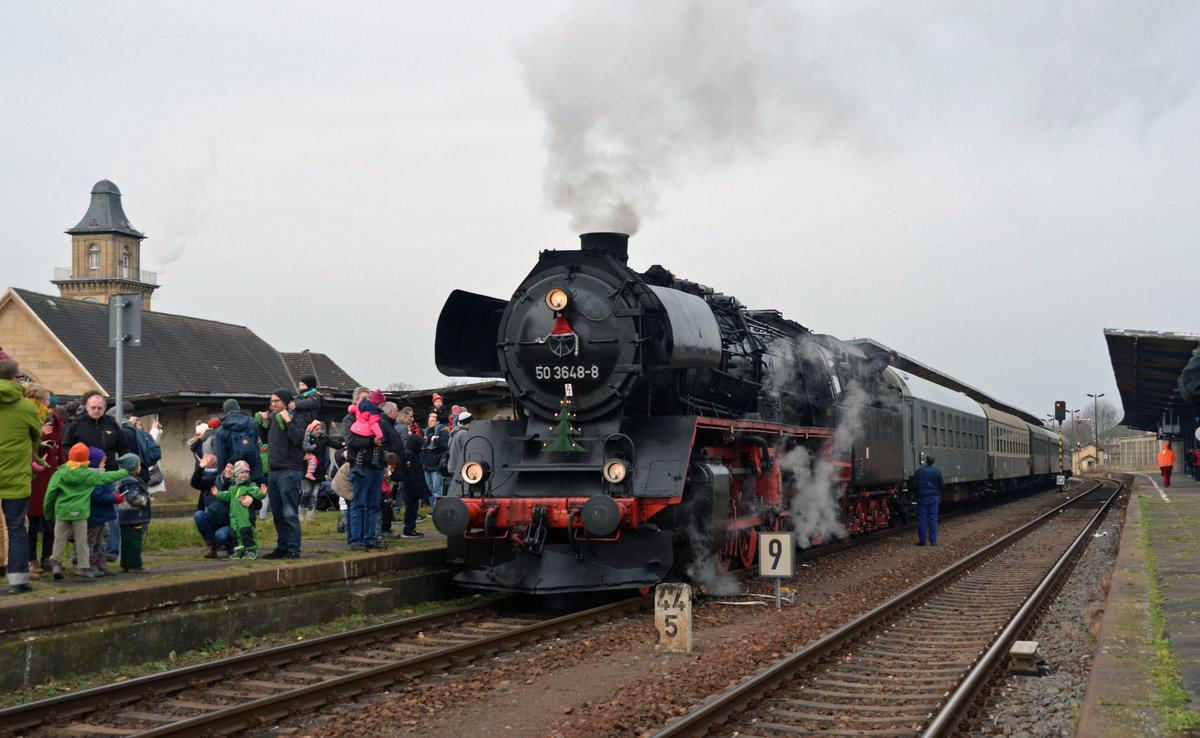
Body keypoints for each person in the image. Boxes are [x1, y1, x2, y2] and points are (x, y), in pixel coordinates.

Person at [44, 442, 128, 579]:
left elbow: (50, 495)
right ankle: (84, 567)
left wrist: (48, 513)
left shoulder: (59, 474)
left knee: (59, 539)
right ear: (85, 458)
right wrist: (124, 471)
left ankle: (57, 565)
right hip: (80, 512)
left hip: (62, 511)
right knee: (82, 541)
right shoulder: (89, 475)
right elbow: (107, 477)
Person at [0, 359, 43, 593]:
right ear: (16, 380)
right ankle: (17, 581)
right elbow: (37, 431)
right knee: (16, 527)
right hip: (15, 476)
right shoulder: (26, 407)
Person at [258, 389, 306, 559]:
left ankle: (294, 548)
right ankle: (282, 546)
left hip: (289, 471)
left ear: (285, 403)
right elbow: (267, 442)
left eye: (276, 401)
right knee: (277, 513)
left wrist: (289, 421)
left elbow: (298, 440)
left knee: (289, 512)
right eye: (271, 401)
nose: (273, 404)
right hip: (274, 471)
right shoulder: (272, 419)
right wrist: (263, 425)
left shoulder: (296, 418)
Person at [63, 391, 132, 470]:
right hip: (84, 472)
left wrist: (127, 465)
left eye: (99, 408)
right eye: (93, 408)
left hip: (109, 471)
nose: (96, 411)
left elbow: (123, 447)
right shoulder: (77, 423)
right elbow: (66, 447)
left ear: (105, 408)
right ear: (87, 407)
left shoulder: (111, 423)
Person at [85, 446, 123, 576]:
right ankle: (90, 564)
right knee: (92, 541)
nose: (104, 465)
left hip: (101, 515)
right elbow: (97, 496)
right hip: (94, 515)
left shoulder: (100, 476)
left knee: (99, 541)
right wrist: (113, 498)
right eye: (102, 462)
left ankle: (100, 563)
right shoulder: (94, 478)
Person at [217, 460, 265, 560]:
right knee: (235, 533)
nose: (245, 474)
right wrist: (218, 494)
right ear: (237, 473)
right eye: (242, 472)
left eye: (247, 472)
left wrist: (262, 493)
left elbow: (257, 493)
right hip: (234, 516)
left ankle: (250, 550)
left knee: (247, 531)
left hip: (246, 516)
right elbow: (227, 495)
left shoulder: (250, 485)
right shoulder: (233, 486)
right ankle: (239, 551)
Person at [114, 453, 152, 573]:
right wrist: (147, 500)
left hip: (123, 516)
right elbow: (134, 498)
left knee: (126, 542)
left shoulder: (121, 480)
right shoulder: (132, 483)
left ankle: (125, 564)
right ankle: (135, 565)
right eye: (139, 465)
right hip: (134, 517)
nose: (140, 467)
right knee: (135, 542)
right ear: (132, 467)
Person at [192, 454, 235, 559]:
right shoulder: (216, 480)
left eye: (233, 468)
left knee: (220, 536)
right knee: (199, 515)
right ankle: (211, 547)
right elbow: (195, 483)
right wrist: (200, 468)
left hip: (229, 523)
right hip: (214, 518)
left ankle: (230, 545)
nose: (229, 470)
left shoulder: (239, 485)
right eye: (228, 467)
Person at [913, 455, 943, 546]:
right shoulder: (937, 472)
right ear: (932, 462)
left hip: (922, 497)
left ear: (926, 461)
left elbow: (913, 485)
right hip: (933, 497)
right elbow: (941, 485)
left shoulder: (919, 472)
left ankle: (922, 541)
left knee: (922, 518)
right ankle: (933, 541)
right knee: (933, 518)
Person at [421, 412, 449, 505]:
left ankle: (438, 511)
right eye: (429, 420)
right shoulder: (429, 432)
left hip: (436, 466)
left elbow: (445, 447)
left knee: (437, 490)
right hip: (427, 465)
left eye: (432, 420)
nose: (430, 422)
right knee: (429, 490)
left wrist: (435, 440)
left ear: (438, 422)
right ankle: (434, 510)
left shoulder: (443, 433)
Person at [445, 411, 473, 498]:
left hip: (452, 465)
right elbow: (468, 450)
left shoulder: (453, 432)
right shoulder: (464, 433)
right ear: (468, 423)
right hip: (459, 467)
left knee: (451, 488)